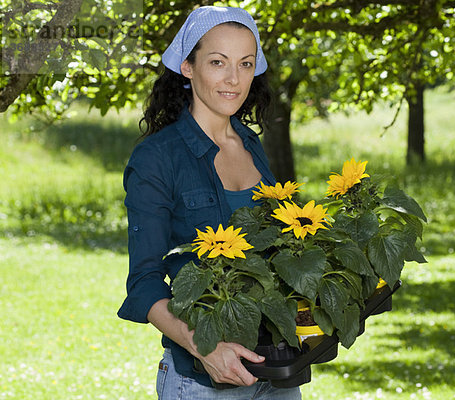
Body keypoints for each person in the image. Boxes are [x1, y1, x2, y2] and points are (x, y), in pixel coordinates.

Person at [117, 6, 302, 400]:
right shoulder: (157, 158)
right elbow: (144, 283)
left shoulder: (251, 144)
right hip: (202, 384)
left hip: (278, 377)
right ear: (187, 66)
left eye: (245, 64)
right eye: (217, 62)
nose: (234, 79)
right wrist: (206, 346)